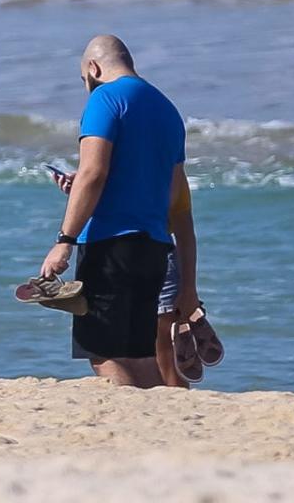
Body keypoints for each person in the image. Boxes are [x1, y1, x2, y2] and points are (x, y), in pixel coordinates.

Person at [39, 35, 185, 388]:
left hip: (110, 244)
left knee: (102, 351)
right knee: (140, 353)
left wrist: (64, 240)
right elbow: (169, 191)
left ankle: (135, 425)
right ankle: (164, 423)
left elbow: (93, 172)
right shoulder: (167, 109)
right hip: (154, 245)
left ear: (93, 68)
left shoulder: (104, 97)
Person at [49, 163, 202, 387]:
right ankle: (173, 417)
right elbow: (184, 227)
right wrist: (189, 286)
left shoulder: (155, 171)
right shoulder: (166, 163)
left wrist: (86, 194)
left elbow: (176, 223)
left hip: (137, 258)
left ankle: (160, 416)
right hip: (161, 256)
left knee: (144, 359)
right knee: (165, 361)